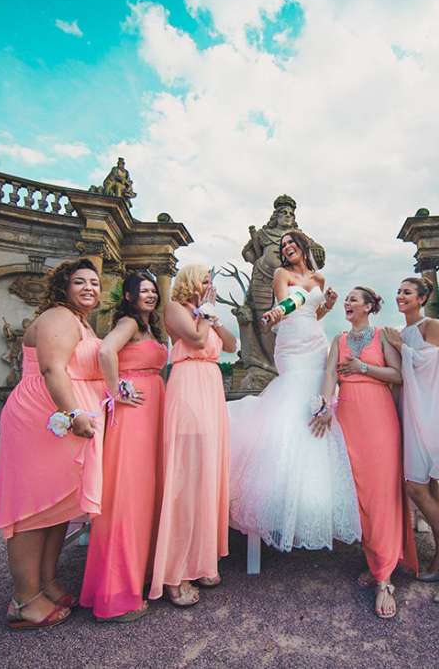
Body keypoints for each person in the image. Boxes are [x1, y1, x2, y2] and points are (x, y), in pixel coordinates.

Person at [0, 258, 106, 630]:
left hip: (62, 417)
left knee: (56, 505)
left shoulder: (81, 321)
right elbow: (53, 368)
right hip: (44, 416)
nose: (89, 288)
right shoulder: (58, 317)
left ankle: (47, 583)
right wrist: (75, 413)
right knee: (31, 507)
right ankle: (24, 599)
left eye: (94, 283)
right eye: (80, 281)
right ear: (63, 287)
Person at [228, 229, 361, 554]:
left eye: (291, 243)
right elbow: (283, 308)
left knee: (316, 398)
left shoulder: (319, 279)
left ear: (303, 247)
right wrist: (276, 313)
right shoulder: (281, 274)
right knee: (292, 400)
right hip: (289, 343)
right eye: (283, 244)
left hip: (315, 340)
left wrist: (328, 306)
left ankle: (315, 498)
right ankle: (277, 493)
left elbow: (314, 312)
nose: (287, 247)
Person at [311, 287, 418, 619]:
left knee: (381, 493)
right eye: (346, 300)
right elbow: (330, 374)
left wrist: (362, 368)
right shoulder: (339, 339)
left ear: (369, 307)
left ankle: (385, 579)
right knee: (359, 494)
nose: (347, 303)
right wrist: (324, 407)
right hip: (349, 418)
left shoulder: (383, 335)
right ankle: (377, 561)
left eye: (354, 299)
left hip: (380, 418)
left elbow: (398, 375)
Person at [80, 272, 166, 622]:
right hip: (133, 417)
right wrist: (117, 389)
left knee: (145, 495)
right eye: (143, 290)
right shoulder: (129, 323)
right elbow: (105, 350)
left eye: (153, 290)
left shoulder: (149, 328)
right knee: (128, 497)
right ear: (129, 297)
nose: (150, 295)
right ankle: (116, 594)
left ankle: (139, 573)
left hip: (151, 412)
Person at [149, 264, 236, 607]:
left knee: (206, 478)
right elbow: (196, 340)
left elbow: (231, 345)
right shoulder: (175, 309)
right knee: (185, 480)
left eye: (210, 281)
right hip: (188, 389)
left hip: (211, 390)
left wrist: (214, 316)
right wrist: (207, 313)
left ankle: (200, 559)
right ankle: (176, 572)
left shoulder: (206, 314)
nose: (208, 285)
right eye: (204, 279)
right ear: (188, 281)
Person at [382, 277, 439, 603]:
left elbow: (430, 367)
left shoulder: (430, 326)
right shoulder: (400, 332)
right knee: (429, 486)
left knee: (415, 487)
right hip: (409, 411)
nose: (400, 296)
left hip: (429, 413)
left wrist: (399, 346)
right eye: (399, 291)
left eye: (407, 292)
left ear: (421, 298)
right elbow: (400, 377)